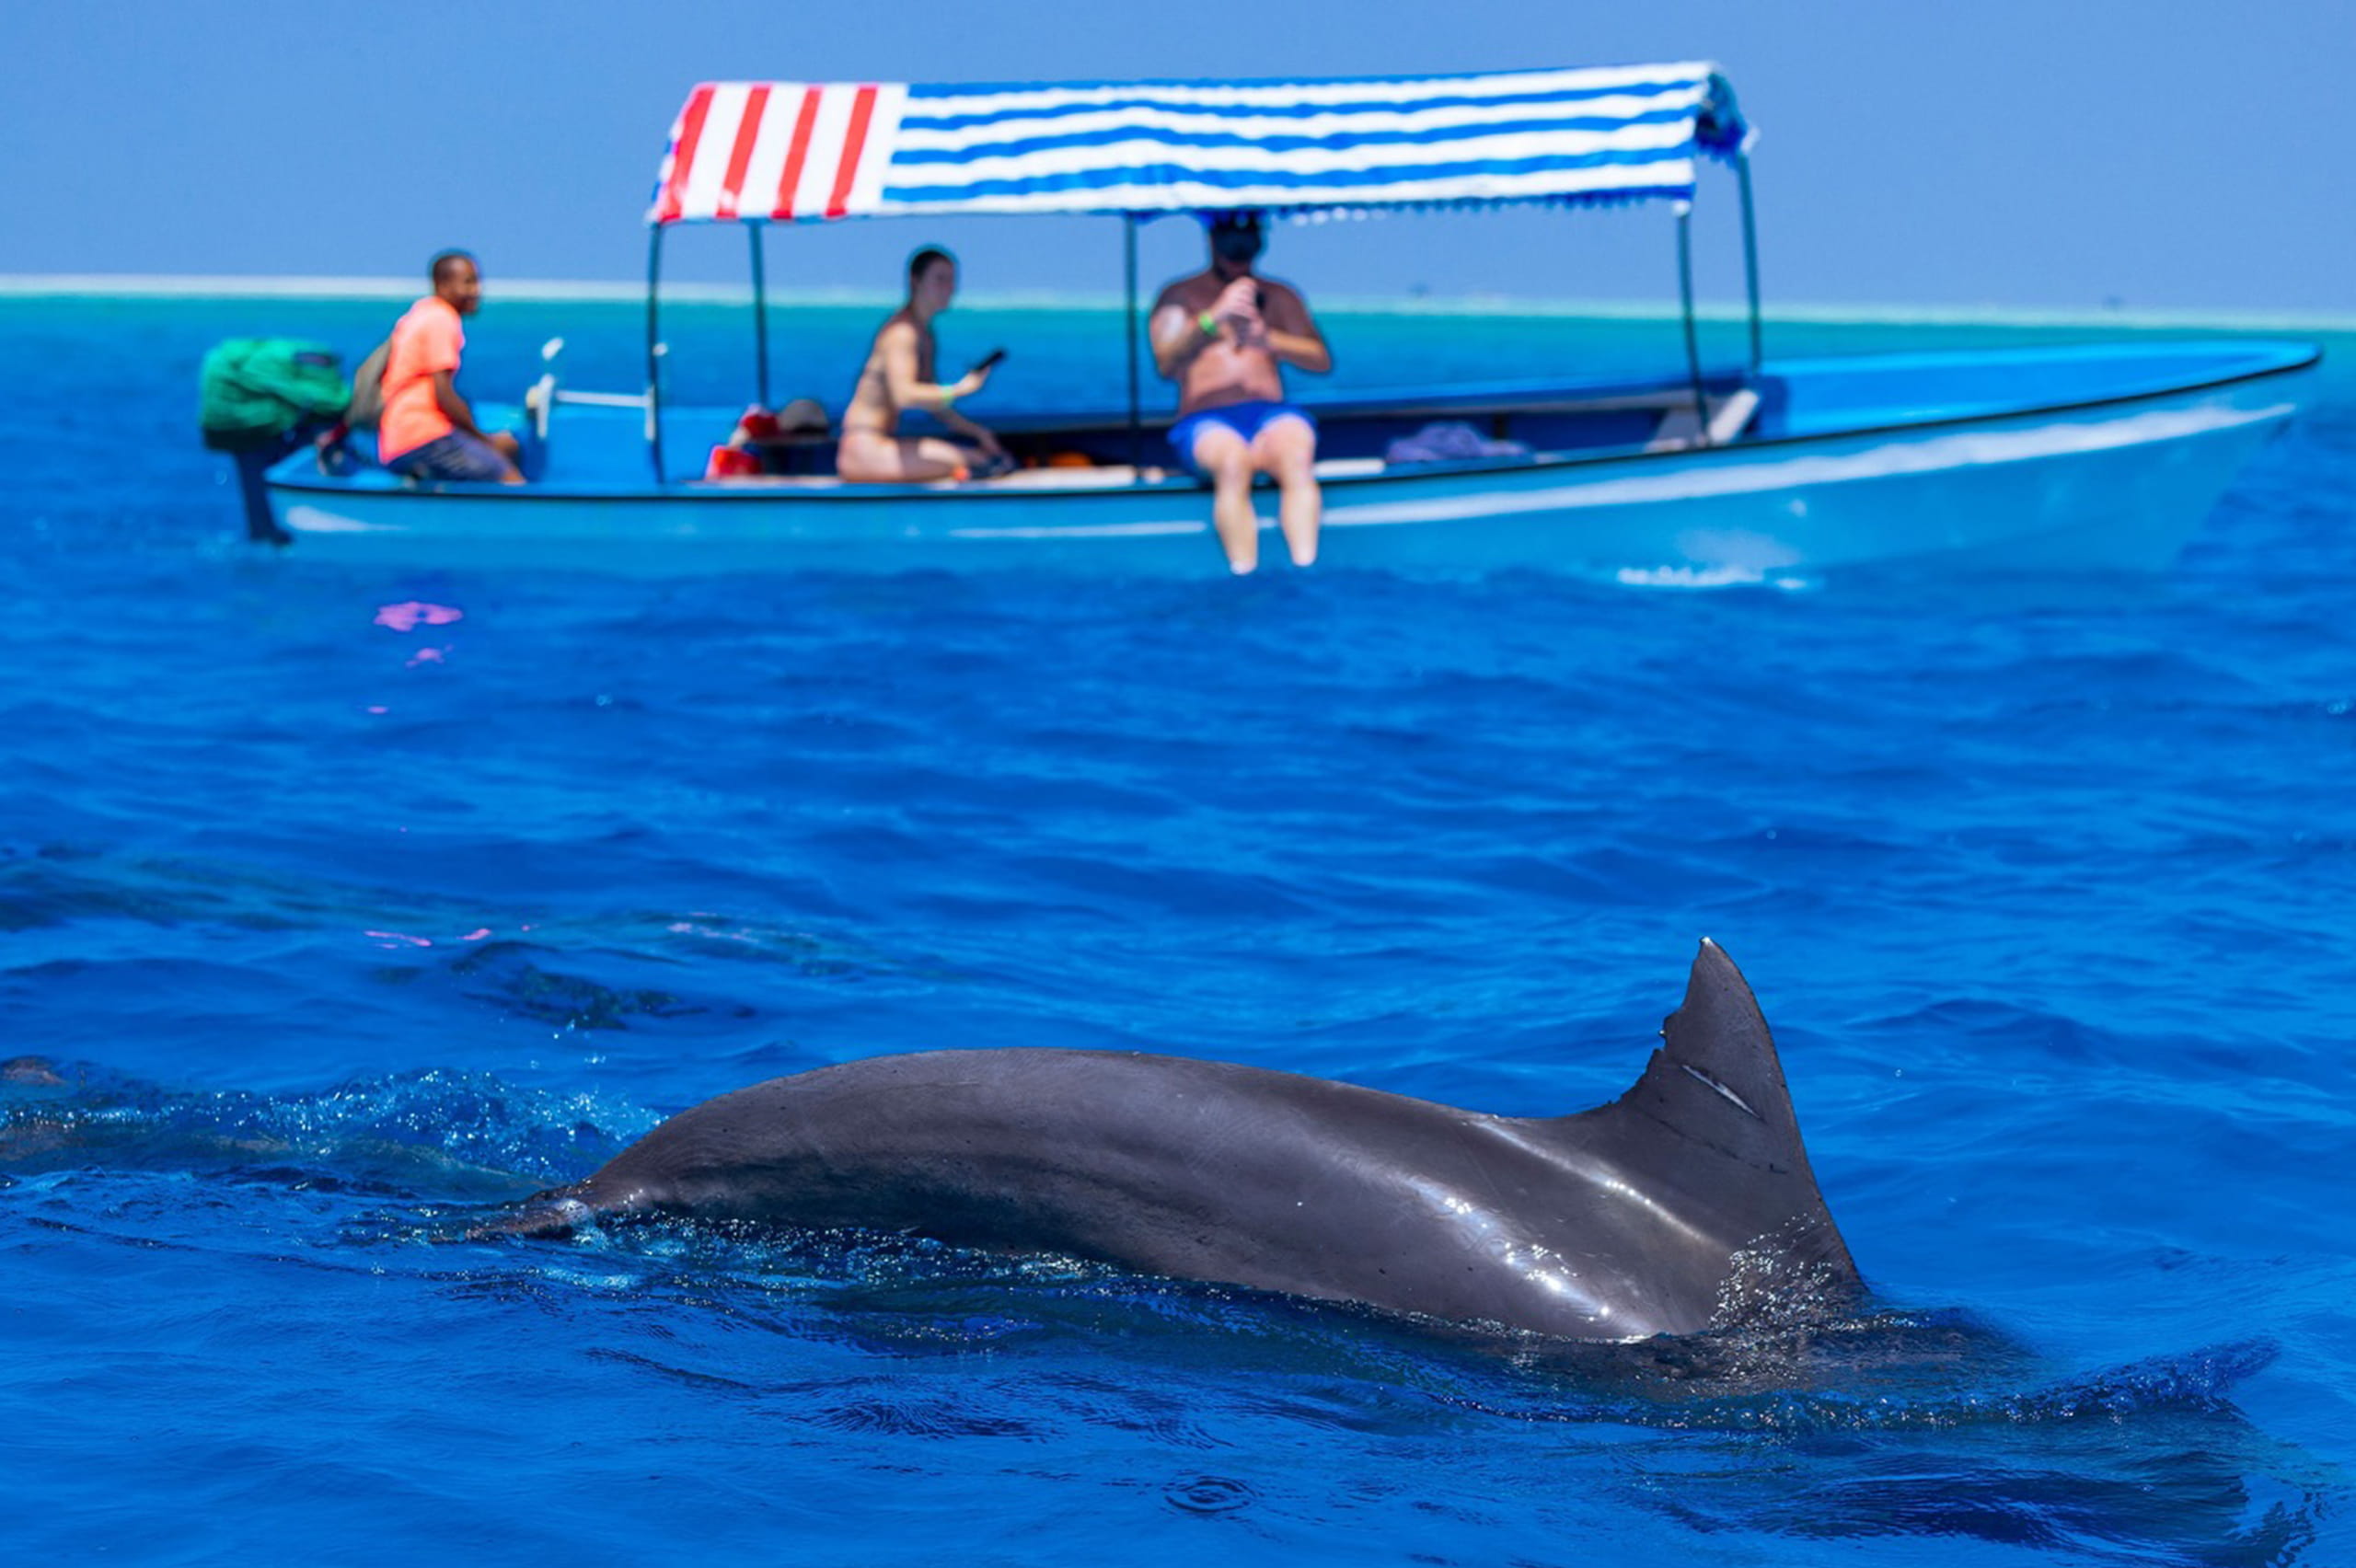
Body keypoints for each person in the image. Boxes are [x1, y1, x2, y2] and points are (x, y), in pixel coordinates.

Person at [1149, 211, 1333, 572]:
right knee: (1233, 463)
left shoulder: (1278, 296)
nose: (1238, 258)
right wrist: (1211, 320)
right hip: (1205, 419)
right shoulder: (1179, 297)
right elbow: (1166, 364)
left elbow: (1320, 359)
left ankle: (1305, 565)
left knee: (1295, 455)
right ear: (1212, 244)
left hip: (1270, 413)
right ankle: (1243, 568)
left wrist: (1269, 339)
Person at [837, 248, 1004, 483]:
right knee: (975, 462)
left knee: (984, 458)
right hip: (864, 451)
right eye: (940, 279)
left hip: (881, 445)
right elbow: (905, 396)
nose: (949, 288)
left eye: (952, 280)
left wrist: (977, 432)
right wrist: (960, 389)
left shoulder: (924, 334)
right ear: (915, 281)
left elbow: (935, 404)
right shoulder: (902, 333)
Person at [376, 250, 524, 485]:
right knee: (508, 477)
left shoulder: (420, 313)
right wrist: (485, 440)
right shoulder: (442, 318)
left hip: (395, 441)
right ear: (443, 286)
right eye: (468, 283)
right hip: (424, 436)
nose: (476, 291)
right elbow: (443, 394)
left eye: (477, 282)